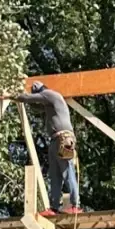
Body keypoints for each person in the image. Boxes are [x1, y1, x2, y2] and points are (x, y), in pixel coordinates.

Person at [24, 81, 81, 215]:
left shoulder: (50, 95)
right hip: (55, 140)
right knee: (54, 175)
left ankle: (75, 205)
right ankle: (54, 207)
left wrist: (12, 94)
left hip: (63, 138)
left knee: (67, 172)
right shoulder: (49, 104)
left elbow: (28, 98)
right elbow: (33, 106)